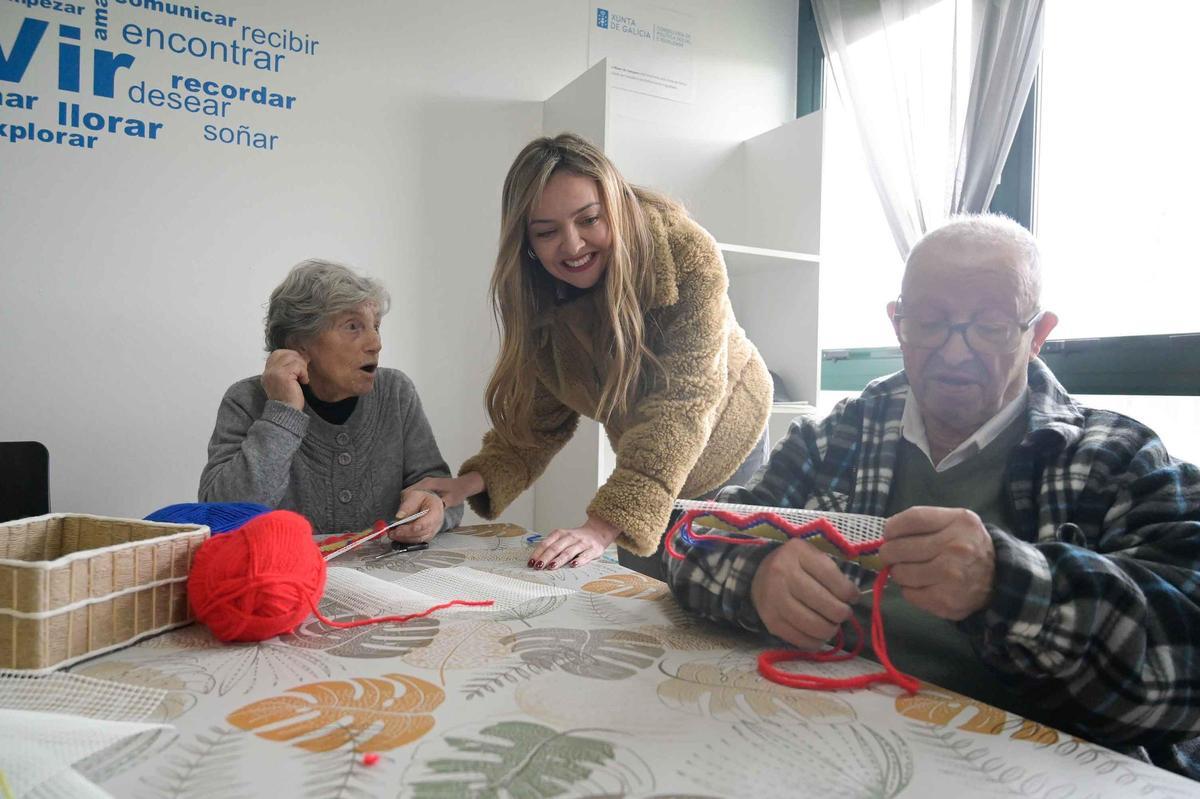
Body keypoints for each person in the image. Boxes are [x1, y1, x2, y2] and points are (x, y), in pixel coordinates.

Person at [665, 214, 1200, 778]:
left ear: (1037, 333)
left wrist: (1008, 584)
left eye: (990, 327)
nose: (954, 352)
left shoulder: (1116, 458)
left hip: (1020, 767)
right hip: (827, 737)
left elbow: (1185, 665)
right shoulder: (838, 437)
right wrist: (757, 578)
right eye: (929, 321)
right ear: (899, 322)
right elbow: (691, 536)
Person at [411, 133, 772, 574]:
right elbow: (536, 424)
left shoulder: (684, 252)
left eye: (589, 220)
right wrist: (464, 484)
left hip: (729, 442)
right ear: (526, 243)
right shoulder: (539, 299)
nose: (573, 245)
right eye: (547, 232)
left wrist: (600, 528)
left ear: (615, 206)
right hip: (646, 455)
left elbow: (685, 399)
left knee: (720, 595)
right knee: (647, 596)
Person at [199, 259, 462, 540]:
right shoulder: (246, 401)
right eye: (353, 326)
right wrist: (283, 414)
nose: (376, 343)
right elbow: (220, 516)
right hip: (286, 580)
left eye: (376, 326)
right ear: (300, 343)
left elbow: (443, 492)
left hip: (385, 580)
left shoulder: (395, 393)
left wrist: (435, 506)